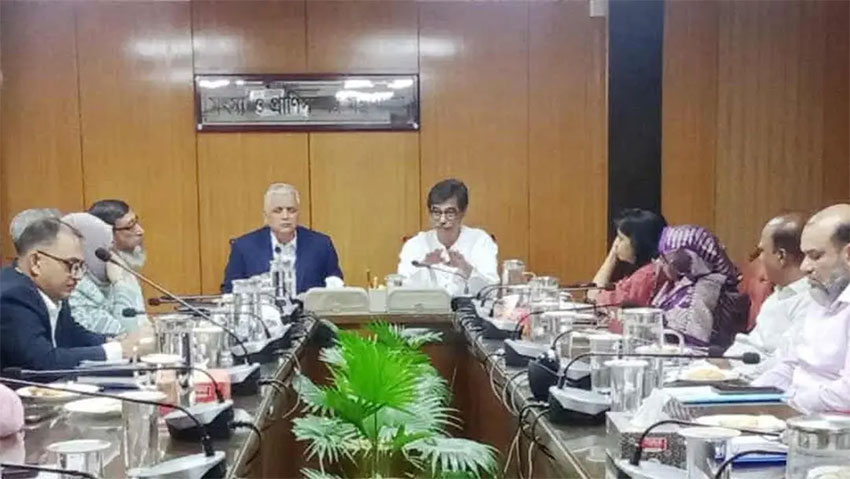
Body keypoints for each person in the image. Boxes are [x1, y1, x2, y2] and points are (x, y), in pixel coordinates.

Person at [0, 217, 136, 374]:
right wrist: (117, 350)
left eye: (81, 267)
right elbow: (42, 363)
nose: (78, 276)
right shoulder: (12, 296)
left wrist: (113, 341)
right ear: (36, 262)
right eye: (71, 265)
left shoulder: (50, 291)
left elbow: (72, 333)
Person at [753, 204, 850, 413]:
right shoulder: (822, 294)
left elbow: (846, 395)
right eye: (804, 255)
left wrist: (789, 406)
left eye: (815, 256)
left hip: (830, 425)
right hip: (796, 413)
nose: (805, 267)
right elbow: (790, 364)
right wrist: (750, 399)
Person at [725, 213, 812, 379]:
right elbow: (752, 345)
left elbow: (785, 363)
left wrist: (734, 375)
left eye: (762, 251)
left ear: (781, 256)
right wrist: (720, 366)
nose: (759, 259)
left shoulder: (811, 300)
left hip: (769, 385)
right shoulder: (779, 293)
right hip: (745, 376)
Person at [222, 183, 343, 294]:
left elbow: (336, 289)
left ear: (298, 214)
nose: (285, 216)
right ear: (265, 216)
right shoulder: (244, 247)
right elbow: (229, 291)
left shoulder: (321, 245)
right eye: (278, 211)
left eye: (291, 210)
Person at [651, 225, 748, 348]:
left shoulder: (705, 290)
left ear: (682, 261)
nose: (659, 263)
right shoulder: (688, 281)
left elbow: (693, 346)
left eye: (664, 259)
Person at [397, 179, 498, 296]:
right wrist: (423, 266)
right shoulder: (415, 245)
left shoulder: (480, 241)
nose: (442, 220)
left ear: (463, 212)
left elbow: (491, 292)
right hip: (426, 307)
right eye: (437, 212)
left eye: (450, 213)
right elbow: (401, 291)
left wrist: (467, 269)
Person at [65, 212, 147, 335]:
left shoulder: (114, 278)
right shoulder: (74, 291)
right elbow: (127, 333)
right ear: (88, 250)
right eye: (108, 248)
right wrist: (120, 284)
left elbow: (143, 324)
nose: (113, 255)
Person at [590, 209, 668, 305]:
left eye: (621, 238)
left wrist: (612, 257)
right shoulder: (655, 269)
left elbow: (593, 297)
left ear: (638, 242)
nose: (615, 244)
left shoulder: (645, 277)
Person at [87, 199, 147, 316]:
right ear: (107, 233)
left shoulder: (123, 264)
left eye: (136, 222)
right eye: (130, 226)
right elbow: (125, 321)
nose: (140, 231)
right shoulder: (95, 278)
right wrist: (119, 282)